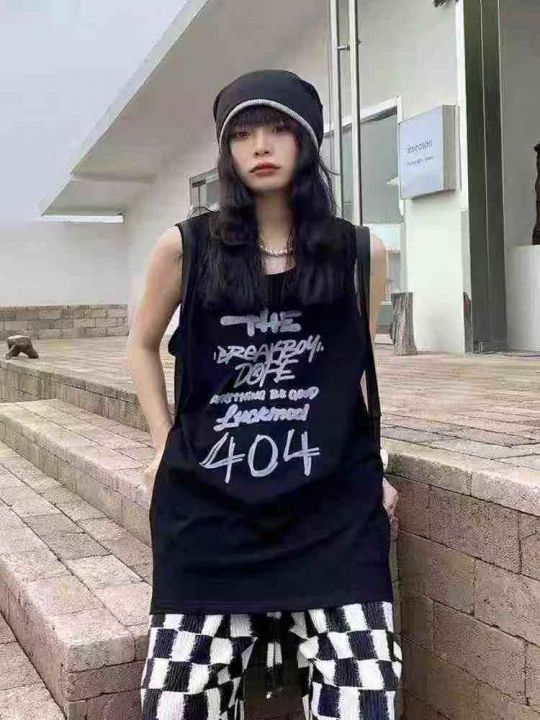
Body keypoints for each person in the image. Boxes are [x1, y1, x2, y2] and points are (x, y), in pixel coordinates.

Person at [128, 69, 401, 720]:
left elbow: (350, 367)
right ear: (227, 151)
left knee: (366, 698)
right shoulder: (185, 248)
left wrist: (375, 463)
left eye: (278, 128)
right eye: (243, 134)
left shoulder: (359, 253)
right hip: (209, 512)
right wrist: (163, 446)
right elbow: (140, 345)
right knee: (176, 703)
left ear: (307, 140)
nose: (260, 146)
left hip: (332, 509)